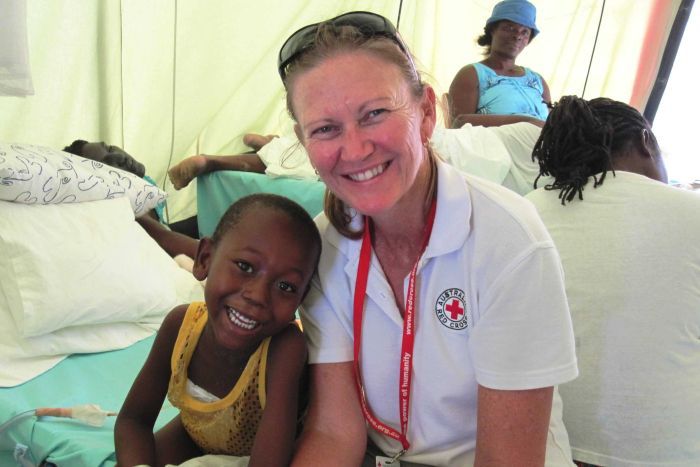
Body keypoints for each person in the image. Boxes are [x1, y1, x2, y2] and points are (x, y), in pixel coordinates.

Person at [277, 11, 578, 466]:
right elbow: (334, 434)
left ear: (426, 112)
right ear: (303, 141)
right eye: (326, 129)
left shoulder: (509, 243)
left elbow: (507, 460)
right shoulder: (325, 248)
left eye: (375, 113)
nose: (356, 149)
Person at [526, 96, 700, 466]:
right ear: (645, 141)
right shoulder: (692, 212)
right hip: (667, 454)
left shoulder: (523, 210)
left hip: (541, 445)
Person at [114, 193, 322, 467]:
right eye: (245, 267)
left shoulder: (284, 349)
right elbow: (133, 421)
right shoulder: (180, 327)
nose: (258, 296)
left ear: (302, 297)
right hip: (196, 434)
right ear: (204, 259)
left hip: (269, 452)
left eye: (286, 287)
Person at [448, 0, 551, 129]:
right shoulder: (472, 74)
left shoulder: (538, 81)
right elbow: (458, 124)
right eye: (509, 28)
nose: (517, 36)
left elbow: (553, 126)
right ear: (492, 30)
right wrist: (525, 121)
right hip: (490, 148)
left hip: (541, 148)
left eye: (525, 32)